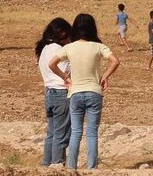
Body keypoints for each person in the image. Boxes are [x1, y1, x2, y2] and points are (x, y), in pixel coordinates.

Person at [48, 14, 120, 170]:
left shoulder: (69, 47)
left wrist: (65, 77)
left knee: (76, 132)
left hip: (75, 93)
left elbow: (51, 64)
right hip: (94, 92)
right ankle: (92, 168)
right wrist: (105, 76)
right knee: (92, 133)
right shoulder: (98, 46)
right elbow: (115, 61)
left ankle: (72, 168)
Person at [36, 17, 73, 167]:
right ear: (63, 33)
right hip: (61, 93)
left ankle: (46, 165)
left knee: (51, 133)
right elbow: (65, 70)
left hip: (49, 93)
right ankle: (57, 165)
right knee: (61, 134)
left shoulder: (44, 48)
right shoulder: (58, 50)